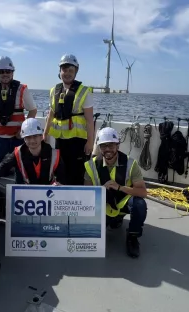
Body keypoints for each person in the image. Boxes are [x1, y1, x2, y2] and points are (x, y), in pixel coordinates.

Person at [84, 127, 148, 258]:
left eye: (111, 145)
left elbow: (143, 192)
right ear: (99, 147)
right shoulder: (91, 165)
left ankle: (132, 237)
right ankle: (112, 221)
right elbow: (87, 194)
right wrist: (102, 188)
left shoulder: (131, 164)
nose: (107, 149)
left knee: (140, 204)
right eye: (103, 146)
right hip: (103, 204)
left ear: (117, 145)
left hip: (122, 202)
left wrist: (120, 187)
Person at [0, 53, 38, 177]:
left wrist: (22, 131)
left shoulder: (22, 89)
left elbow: (33, 110)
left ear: (12, 72)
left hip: (17, 138)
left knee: (22, 167)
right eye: (1, 71)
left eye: (8, 71)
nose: (5, 74)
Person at [43, 53, 95, 185]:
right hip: (60, 140)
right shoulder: (54, 90)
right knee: (60, 171)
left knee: (76, 173)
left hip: (78, 142)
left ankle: (75, 201)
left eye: (71, 70)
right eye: (64, 70)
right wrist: (45, 134)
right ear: (60, 71)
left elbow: (89, 120)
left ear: (76, 72)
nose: (67, 73)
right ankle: (62, 201)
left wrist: (90, 142)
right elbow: (51, 114)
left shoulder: (84, 92)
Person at [0, 118, 66, 188]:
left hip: (48, 193)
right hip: (25, 193)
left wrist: (60, 184)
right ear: (24, 139)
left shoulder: (55, 154)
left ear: (41, 136)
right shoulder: (18, 152)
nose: (32, 141)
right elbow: (4, 165)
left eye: (35, 136)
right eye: (28, 137)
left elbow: (62, 176)